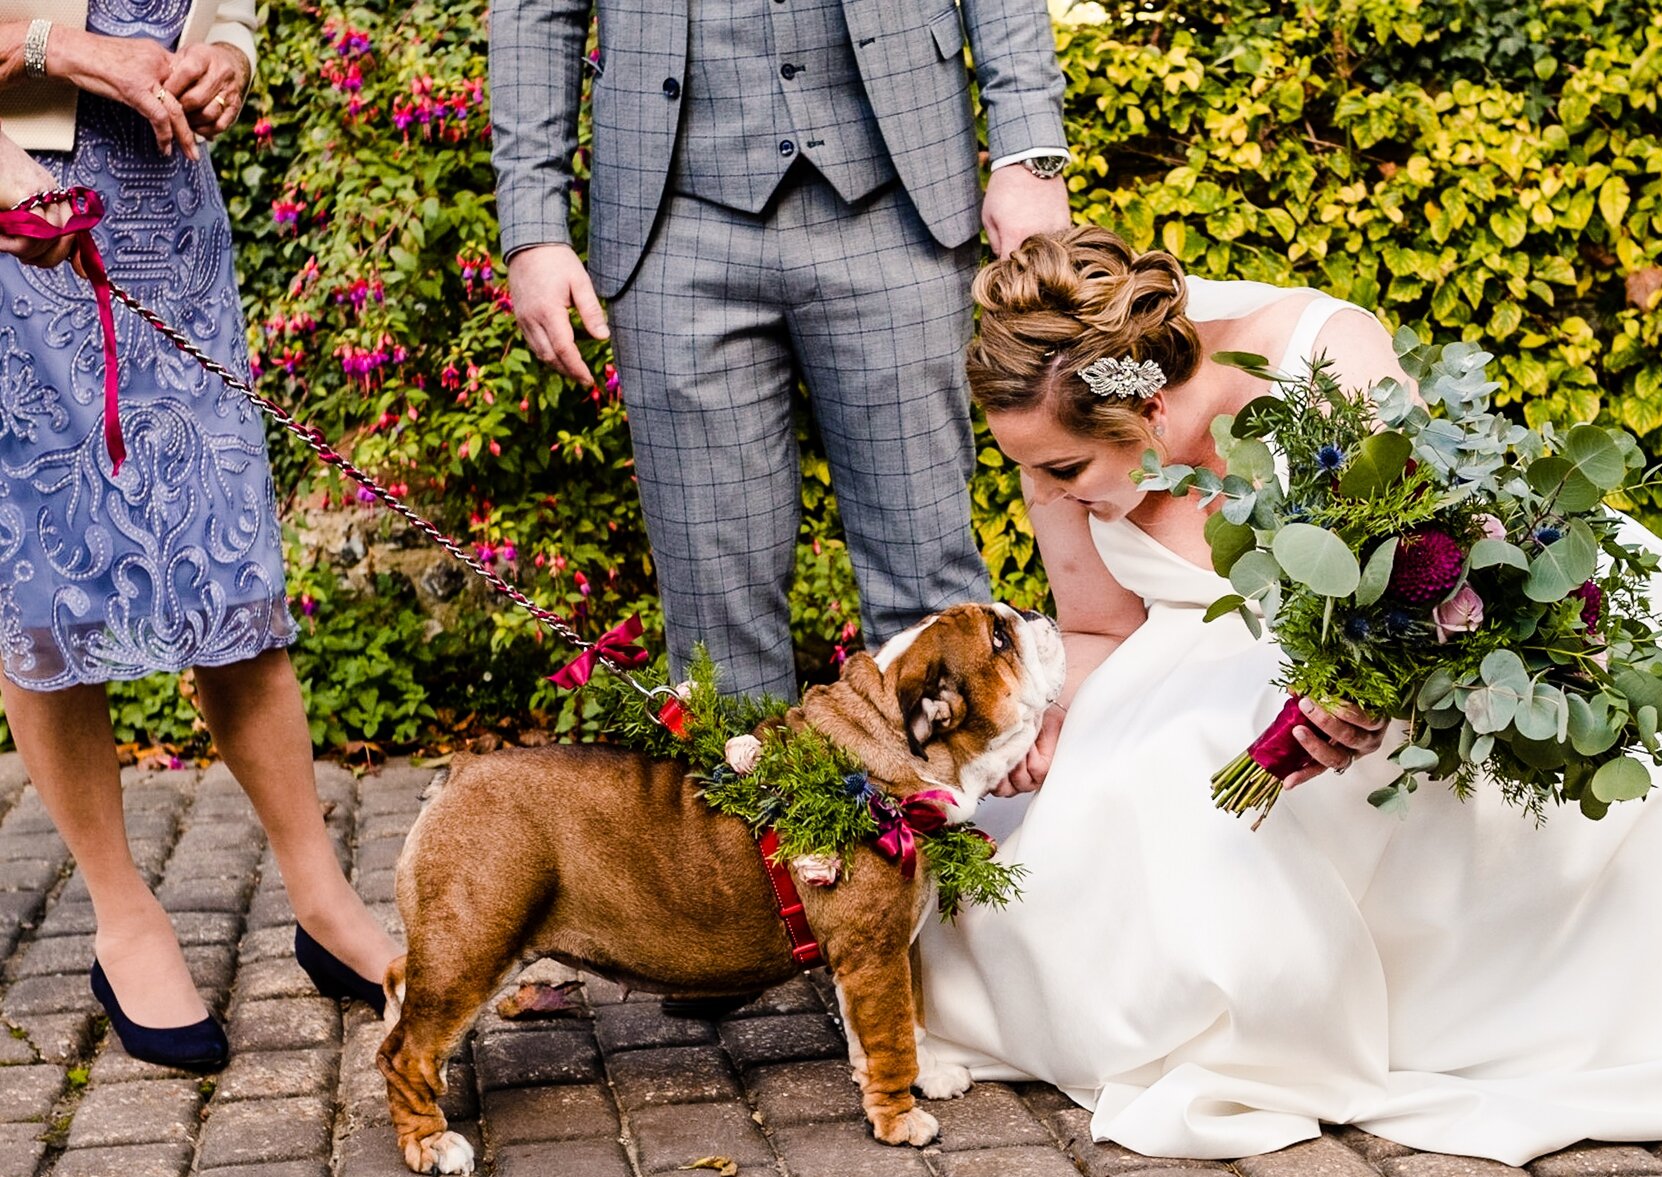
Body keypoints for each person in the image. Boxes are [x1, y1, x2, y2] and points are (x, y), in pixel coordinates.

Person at [914, 226, 1662, 1165]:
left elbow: (1432, 559)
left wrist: (1363, 690)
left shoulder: (1317, 356)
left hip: (1423, 630)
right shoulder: (1057, 457)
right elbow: (1096, 629)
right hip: (1196, 651)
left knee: (1196, 785)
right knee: (1080, 822)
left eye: (1065, 467)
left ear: (1146, 409)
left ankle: (1389, 996)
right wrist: (1048, 716)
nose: (1052, 489)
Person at [0, 3, 398, 1070]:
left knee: (225, 554)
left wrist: (228, 49)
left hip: (166, 201)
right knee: (44, 573)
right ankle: (123, 914)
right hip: (17, 194)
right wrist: (61, 52)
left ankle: (320, 894)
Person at [490, 0, 1070, 698]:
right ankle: (741, 810)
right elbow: (534, 11)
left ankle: (941, 807)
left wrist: (1028, 156)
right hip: (672, 218)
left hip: (897, 197)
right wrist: (533, 230)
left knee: (928, 592)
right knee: (715, 625)